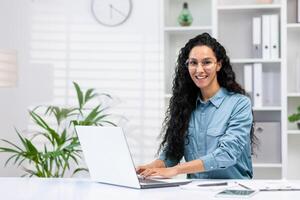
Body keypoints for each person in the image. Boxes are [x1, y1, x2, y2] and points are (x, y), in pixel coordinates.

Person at [136, 32, 256, 179]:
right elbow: (172, 153)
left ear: (218, 65)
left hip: (232, 190)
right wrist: (149, 167)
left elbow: (227, 154)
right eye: (193, 63)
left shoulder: (239, 104)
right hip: (195, 190)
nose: (199, 70)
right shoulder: (185, 105)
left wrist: (176, 170)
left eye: (206, 62)